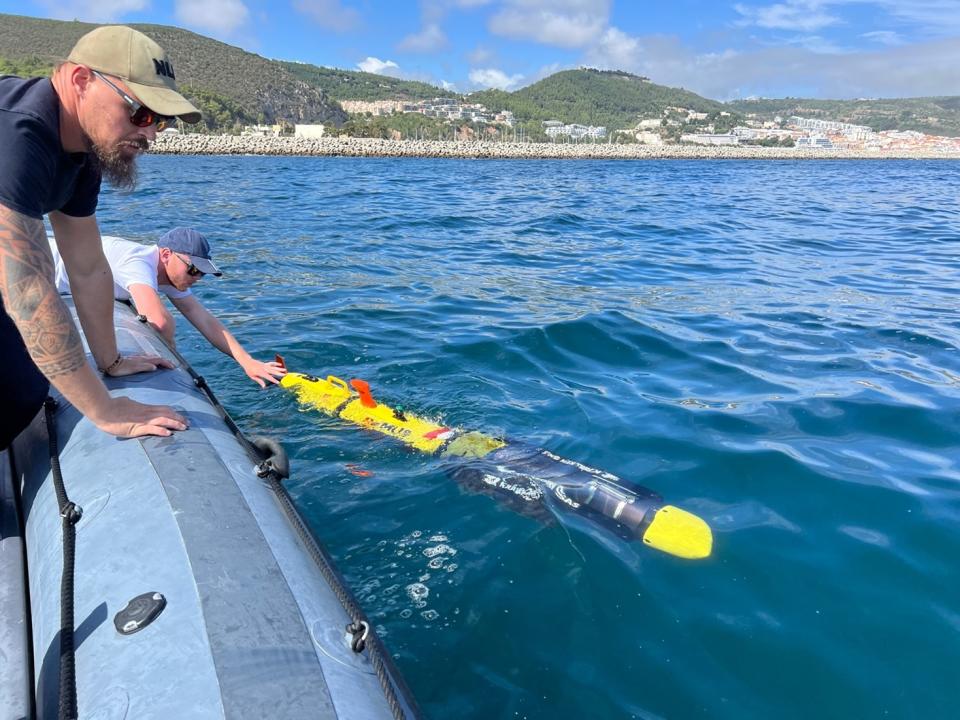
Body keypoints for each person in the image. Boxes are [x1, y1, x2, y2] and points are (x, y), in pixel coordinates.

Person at [0, 25, 202, 449]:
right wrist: (104, 410)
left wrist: (110, 361)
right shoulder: (19, 132)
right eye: (140, 113)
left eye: (160, 121)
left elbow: (88, 266)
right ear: (81, 81)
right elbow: (29, 289)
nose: (150, 134)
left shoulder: (84, 153)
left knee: (22, 390)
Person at [49, 228, 287, 388]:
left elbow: (202, 318)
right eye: (193, 269)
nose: (197, 277)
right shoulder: (138, 262)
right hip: (37, 273)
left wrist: (247, 361)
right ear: (165, 254)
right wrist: (175, 365)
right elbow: (160, 322)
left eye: (203, 272)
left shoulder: (169, 275)